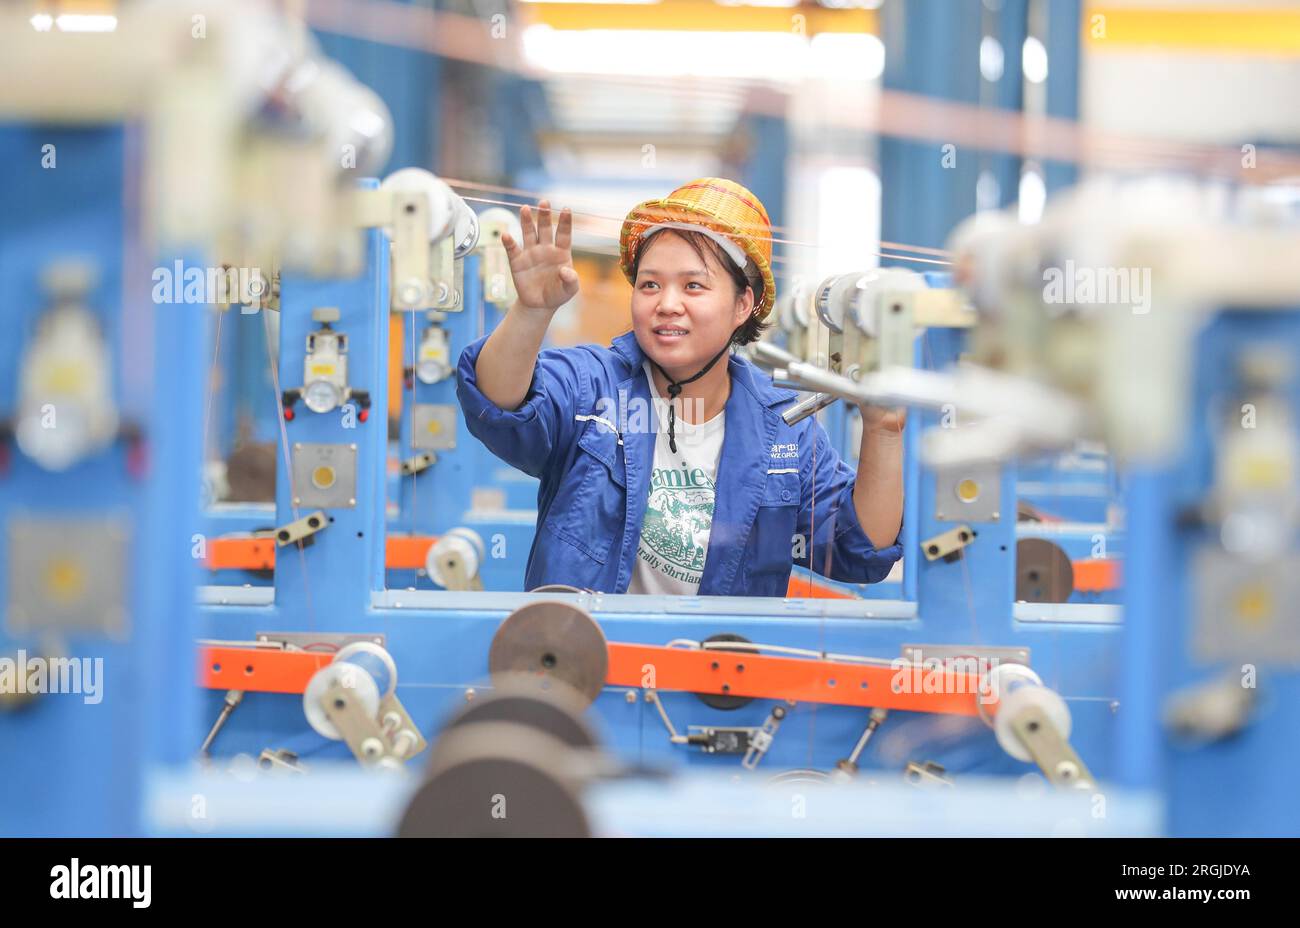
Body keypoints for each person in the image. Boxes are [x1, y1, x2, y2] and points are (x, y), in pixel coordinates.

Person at [456, 177, 904, 596]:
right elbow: (496, 405)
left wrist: (884, 431)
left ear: (743, 304)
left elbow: (859, 550)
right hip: (582, 664)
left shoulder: (786, 428)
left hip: (720, 674)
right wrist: (532, 311)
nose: (667, 304)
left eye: (694, 285)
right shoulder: (592, 387)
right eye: (650, 284)